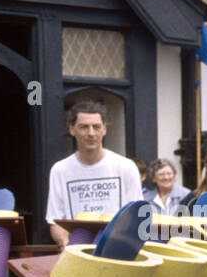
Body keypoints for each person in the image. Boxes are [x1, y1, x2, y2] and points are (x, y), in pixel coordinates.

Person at [45, 101, 142, 245]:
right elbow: (55, 220)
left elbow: (135, 216)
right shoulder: (60, 170)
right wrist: (65, 244)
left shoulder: (126, 167)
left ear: (104, 130)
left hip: (116, 248)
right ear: (72, 129)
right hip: (78, 250)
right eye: (84, 127)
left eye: (96, 127)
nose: (91, 133)